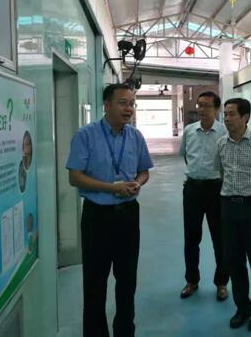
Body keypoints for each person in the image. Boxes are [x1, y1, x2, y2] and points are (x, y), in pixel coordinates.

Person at [66, 83, 153, 337]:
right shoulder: (86, 135)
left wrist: (138, 183)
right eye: (122, 103)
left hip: (128, 215)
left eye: (132, 104)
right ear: (106, 105)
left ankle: (125, 331)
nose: (129, 109)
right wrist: (110, 187)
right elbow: (74, 177)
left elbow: (144, 170)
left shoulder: (135, 136)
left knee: (127, 280)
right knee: (95, 282)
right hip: (97, 217)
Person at [215, 98, 251, 331]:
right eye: (225, 114)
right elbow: (221, 173)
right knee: (234, 260)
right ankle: (242, 308)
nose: (226, 118)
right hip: (228, 207)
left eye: (231, 114)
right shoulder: (221, 144)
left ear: (245, 117)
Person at [179, 91, 229, 301]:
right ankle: (192, 280)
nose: (202, 109)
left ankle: (221, 283)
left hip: (217, 190)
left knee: (220, 238)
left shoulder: (224, 132)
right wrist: (196, 175)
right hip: (193, 189)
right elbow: (186, 157)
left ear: (216, 109)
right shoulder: (189, 131)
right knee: (191, 237)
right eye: (199, 105)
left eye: (207, 105)